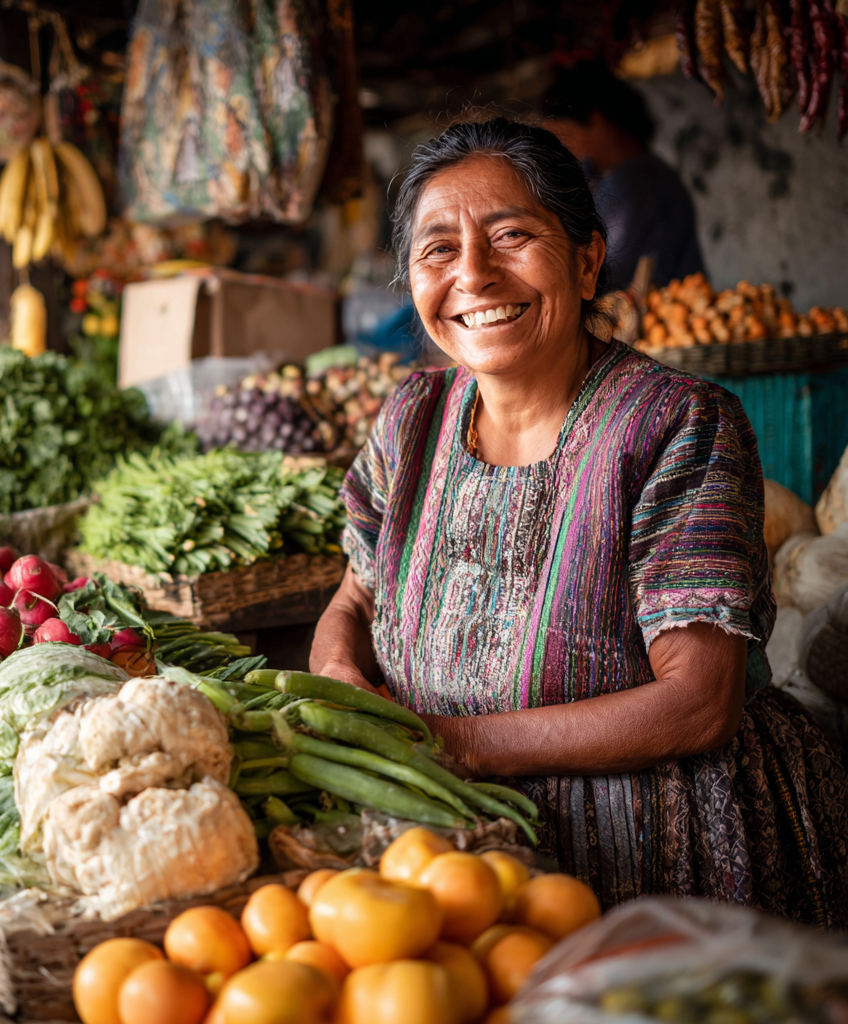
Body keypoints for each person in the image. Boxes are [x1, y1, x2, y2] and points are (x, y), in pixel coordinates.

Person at [309, 117, 848, 925]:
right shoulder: (412, 418)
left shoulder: (677, 424)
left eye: (511, 235)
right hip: (457, 857)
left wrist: (453, 742)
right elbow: (354, 598)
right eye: (438, 250)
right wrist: (337, 682)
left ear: (588, 260)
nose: (475, 275)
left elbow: (699, 703)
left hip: (661, 860)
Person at [543, 60, 705, 289]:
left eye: (563, 137)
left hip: (662, 317)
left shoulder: (637, 182)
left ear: (596, 123)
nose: (565, 151)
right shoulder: (607, 176)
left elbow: (605, 271)